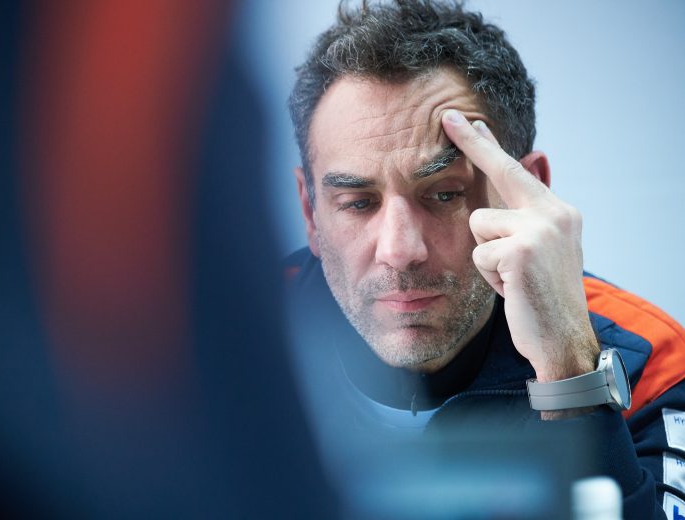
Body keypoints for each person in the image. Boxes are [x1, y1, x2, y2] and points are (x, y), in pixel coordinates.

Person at [283, 1, 685, 517]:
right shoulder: (218, 340)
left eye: (444, 194)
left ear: (530, 194)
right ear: (310, 211)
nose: (399, 251)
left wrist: (570, 374)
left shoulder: (651, 363)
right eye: (358, 203)